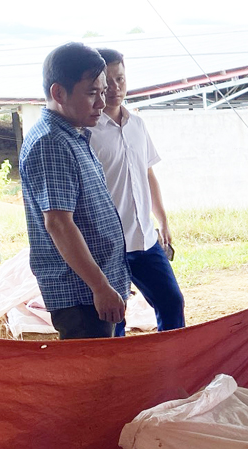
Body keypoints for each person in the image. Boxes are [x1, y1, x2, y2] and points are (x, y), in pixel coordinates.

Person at [19, 42, 129, 340]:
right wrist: (100, 287)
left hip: (95, 288)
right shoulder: (52, 143)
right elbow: (59, 223)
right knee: (96, 380)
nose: (101, 102)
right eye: (92, 93)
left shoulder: (74, 134)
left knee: (110, 372)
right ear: (58, 93)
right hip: (81, 295)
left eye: (103, 92)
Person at [89, 48, 185, 334]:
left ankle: (171, 362)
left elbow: (148, 173)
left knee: (171, 301)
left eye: (121, 79)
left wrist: (162, 220)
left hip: (145, 238)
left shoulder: (137, 124)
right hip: (109, 245)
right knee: (115, 318)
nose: (116, 88)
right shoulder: (88, 131)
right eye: (109, 82)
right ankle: (122, 374)